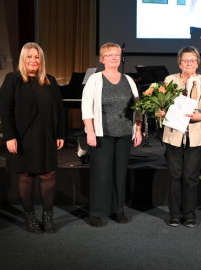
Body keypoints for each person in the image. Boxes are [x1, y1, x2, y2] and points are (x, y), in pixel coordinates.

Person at [0, 42, 65, 233]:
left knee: (48, 174)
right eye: (30, 57)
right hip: (22, 136)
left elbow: (59, 109)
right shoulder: (13, 79)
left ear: (41, 60)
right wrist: (9, 136)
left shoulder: (50, 80)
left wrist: (60, 133)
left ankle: (47, 216)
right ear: (23, 59)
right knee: (26, 176)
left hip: (46, 135)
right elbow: (5, 109)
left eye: (37, 57)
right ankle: (29, 217)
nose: (34, 60)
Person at [81, 42, 142, 227]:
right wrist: (90, 132)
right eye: (109, 55)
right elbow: (86, 108)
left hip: (124, 134)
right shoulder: (95, 79)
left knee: (119, 174)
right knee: (101, 174)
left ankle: (118, 210)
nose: (114, 57)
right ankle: (96, 212)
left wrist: (138, 129)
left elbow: (138, 107)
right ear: (102, 59)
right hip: (102, 134)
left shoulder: (129, 80)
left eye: (116, 55)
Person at [158, 46, 201, 227]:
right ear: (179, 63)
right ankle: (175, 215)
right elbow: (161, 104)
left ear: (198, 63)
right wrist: (159, 111)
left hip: (196, 135)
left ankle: (190, 215)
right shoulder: (170, 80)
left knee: (191, 177)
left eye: (193, 60)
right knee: (175, 175)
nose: (189, 63)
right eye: (185, 60)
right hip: (174, 135)